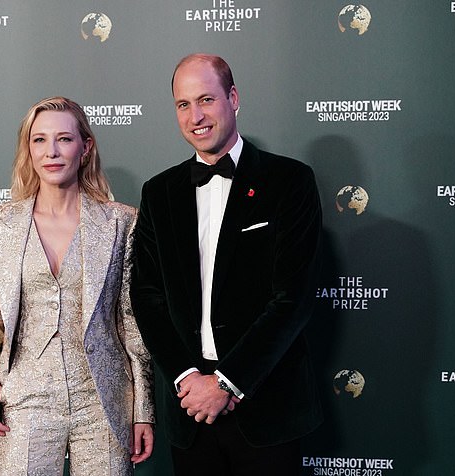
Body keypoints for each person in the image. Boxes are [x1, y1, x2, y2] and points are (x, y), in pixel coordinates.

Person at [130, 54, 322, 475]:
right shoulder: (159, 192)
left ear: (233, 98)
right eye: (183, 104)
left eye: (206, 100)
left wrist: (227, 382)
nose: (195, 116)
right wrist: (187, 379)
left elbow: (293, 298)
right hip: (190, 411)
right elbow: (146, 297)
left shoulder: (290, 181)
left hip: (266, 405)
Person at [0, 97, 155, 476]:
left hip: (103, 401)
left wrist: (143, 409)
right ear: (29, 149)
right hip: (24, 398)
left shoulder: (121, 223)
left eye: (64, 139)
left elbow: (132, 324)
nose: (51, 151)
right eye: (39, 140)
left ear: (85, 148)